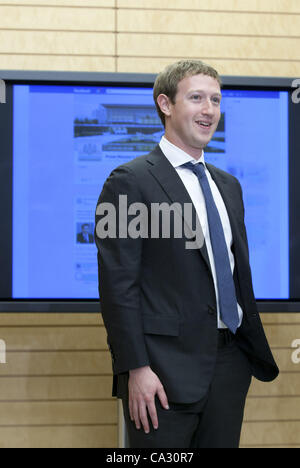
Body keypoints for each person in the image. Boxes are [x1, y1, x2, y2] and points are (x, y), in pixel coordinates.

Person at [95, 60, 279, 448]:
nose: (209, 109)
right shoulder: (129, 181)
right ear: (165, 104)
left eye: (215, 99)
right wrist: (136, 368)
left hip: (231, 366)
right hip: (162, 373)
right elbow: (118, 288)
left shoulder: (228, 186)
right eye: (196, 98)